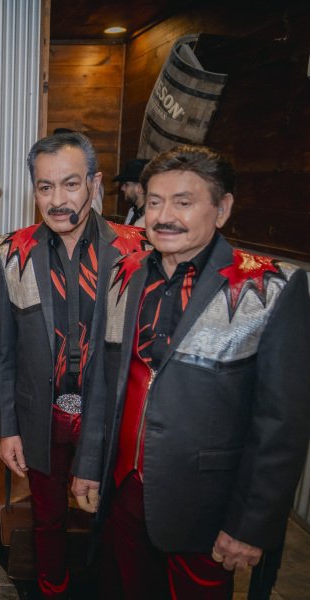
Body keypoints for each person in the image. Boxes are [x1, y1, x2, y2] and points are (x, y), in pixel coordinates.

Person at [73, 145, 310, 599]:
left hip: (206, 505)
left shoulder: (267, 287)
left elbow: (281, 425)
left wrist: (249, 526)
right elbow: (103, 382)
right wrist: (89, 466)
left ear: (222, 209)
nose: (164, 216)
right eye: (154, 202)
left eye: (183, 202)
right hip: (123, 490)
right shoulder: (123, 273)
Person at [0, 132, 145, 599]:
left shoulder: (136, 250)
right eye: (45, 187)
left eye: (71, 184)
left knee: (115, 522)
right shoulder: (13, 251)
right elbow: (4, 349)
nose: (57, 200)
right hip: (41, 413)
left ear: (94, 184)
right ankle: (51, 587)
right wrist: (7, 427)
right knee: (47, 518)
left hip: (112, 416)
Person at [115, 158, 150, 226]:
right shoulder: (132, 212)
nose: (122, 188)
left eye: (126, 184)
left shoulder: (149, 217)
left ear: (140, 188)